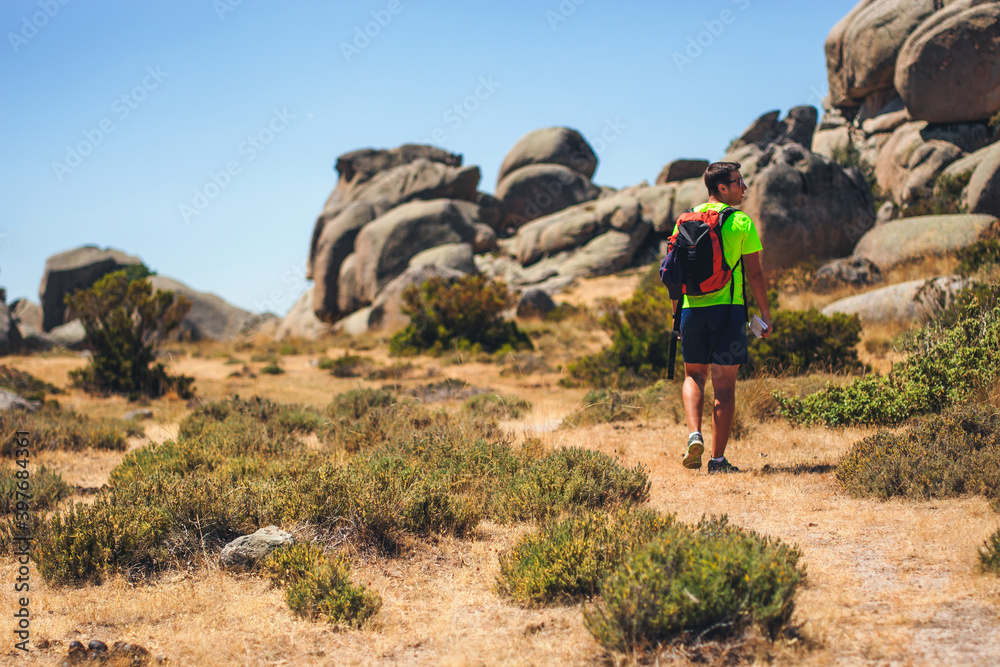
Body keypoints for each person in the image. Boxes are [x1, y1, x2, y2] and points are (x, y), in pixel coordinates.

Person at [673, 161, 773, 473]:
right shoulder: (741, 222)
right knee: (725, 386)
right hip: (728, 311)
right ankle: (717, 461)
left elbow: (673, 273)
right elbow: (754, 273)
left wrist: (676, 315)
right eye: (738, 182)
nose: (744, 188)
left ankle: (694, 435)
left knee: (693, 376)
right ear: (722, 188)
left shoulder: (684, 220)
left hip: (692, 309)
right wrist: (766, 314)